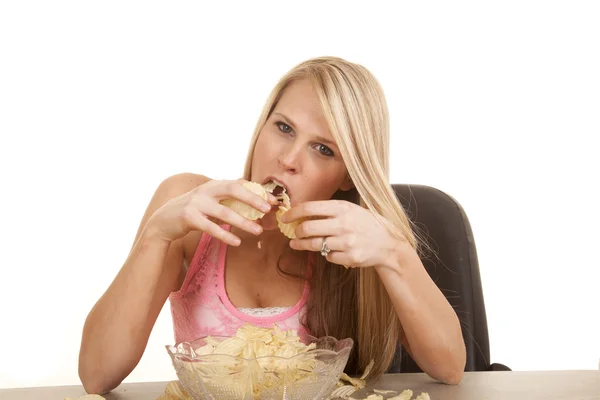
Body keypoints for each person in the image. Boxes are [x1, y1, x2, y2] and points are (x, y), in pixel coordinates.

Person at [78, 56, 466, 395]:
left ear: (348, 175)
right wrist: (155, 237)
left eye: (323, 149)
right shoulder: (190, 210)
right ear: (262, 126)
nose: (289, 159)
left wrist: (395, 253)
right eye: (284, 128)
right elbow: (97, 375)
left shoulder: (360, 243)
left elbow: (449, 369)